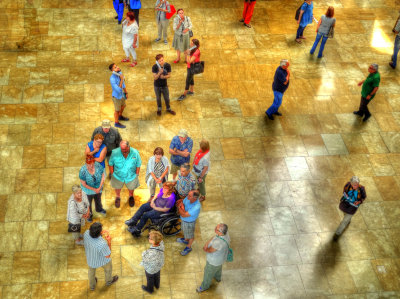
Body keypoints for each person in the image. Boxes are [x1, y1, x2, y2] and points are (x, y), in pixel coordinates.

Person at [84, 222, 118, 291]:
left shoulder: (86, 233)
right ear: (98, 234)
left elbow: (93, 239)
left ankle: (92, 286)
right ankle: (109, 281)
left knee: (91, 273)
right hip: (102, 260)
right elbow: (108, 255)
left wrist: (100, 234)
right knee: (108, 269)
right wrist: (109, 241)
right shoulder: (102, 243)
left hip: (90, 259)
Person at [196, 223, 230, 293]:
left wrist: (205, 248)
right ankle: (218, 278)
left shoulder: (218, 243)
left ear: (220, 232)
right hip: (221, 259)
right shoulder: (226, 234)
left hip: (213, 262)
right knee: (218, 268)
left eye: (216, 229)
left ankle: (204, 286)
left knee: (208, 273)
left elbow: (210, 250)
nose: (214, 229)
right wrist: (208, 243)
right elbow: (215, 237)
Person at [109, 140, 142, 208]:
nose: (122, 150)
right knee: (117, 187)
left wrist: (136, 175)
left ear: (128, 147)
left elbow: (138, 164)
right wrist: (112, 173)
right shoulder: (115, 152)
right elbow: (110, 163)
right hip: (118, 175)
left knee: (131, 187)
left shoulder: (135, 153)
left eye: (124, 149)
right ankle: (118, 197)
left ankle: (131, 196)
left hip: (131, 175)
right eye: (121, 149)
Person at [333, 176, 366, 241]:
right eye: (354, 185)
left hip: (353, 206)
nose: (355, 186)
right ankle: (348, 219)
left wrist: (359, 201)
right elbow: (344, 192)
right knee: (345, 213)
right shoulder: (347, 185)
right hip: (345, 203)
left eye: (356, 185)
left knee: (344, 221)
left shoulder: (362, 189)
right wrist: (346, 195)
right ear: (351, 183)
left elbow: (364, 197)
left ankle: (337, 233)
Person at [79, 155, 106, 222]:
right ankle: (89, 215)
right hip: (88, 191)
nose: (91, 166)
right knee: (88, 203)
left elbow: (103, 175)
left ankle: (99, 209)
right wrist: (95, 190)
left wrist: (99, 187)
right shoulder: (82, 171)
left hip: (98, 189)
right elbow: (84, 184)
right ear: (86, 163)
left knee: (98, 200)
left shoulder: (98, 165)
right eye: (89, 164)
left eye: (92, 164)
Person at [176, 190, 201, 256]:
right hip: (184, 220)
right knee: (184, 230)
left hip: (189, 223)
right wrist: (182, 208)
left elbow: (183, 214)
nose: (187, 197)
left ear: (194, 198)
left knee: (190, 236)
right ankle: (186, 239)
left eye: (189, 196)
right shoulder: (187, 199)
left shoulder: (196, 207)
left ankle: (188, 247)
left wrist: (180, 207)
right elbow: (182, 203)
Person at [109, 63, 129, 129]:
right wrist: (121, 79)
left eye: (116, 66)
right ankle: (116, 122)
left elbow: (123, 84)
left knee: (123, 106)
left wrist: (126, 92)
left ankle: (120, 116)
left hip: (122, 95)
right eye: (115, 67)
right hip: (116, 97)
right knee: (117, 110)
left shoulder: (120, 73)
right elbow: (118, 89)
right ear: (112, 71)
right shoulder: (112, 79)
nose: (117, 67)